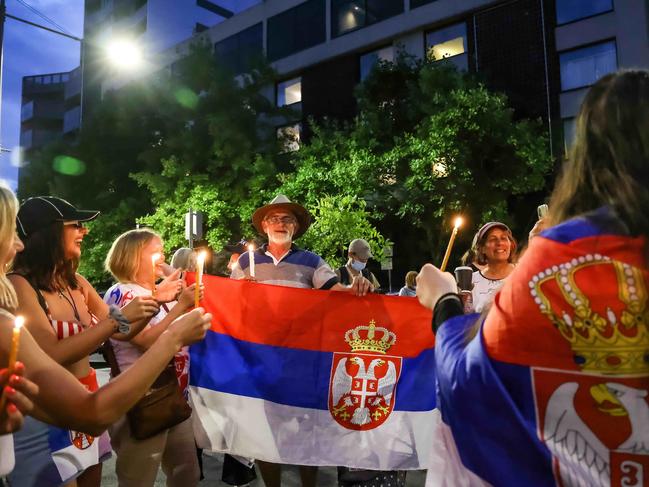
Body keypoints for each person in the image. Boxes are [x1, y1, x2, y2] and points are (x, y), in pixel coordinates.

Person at [416, 70, 649, 486]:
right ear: (483, 247)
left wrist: (443, 303)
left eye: (507, 238)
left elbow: (472, 383)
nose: (502, 244)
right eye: (495, 239)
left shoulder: (560, 262)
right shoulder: (536, 263)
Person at [0, 188, 211, 484]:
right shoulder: (21, 286)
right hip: (53, 409)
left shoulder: (78, 282)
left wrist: (155, 303)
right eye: (75, 224)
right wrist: (165, 332)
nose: (84, 230)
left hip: (88, 394)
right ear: (48, 233)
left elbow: (124, 330)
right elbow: (54, 353)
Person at [231, 194, 373, 487]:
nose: (280, 223)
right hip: (261, 360)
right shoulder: (246, 262)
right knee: (266, 434)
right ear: (264, 226)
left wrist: (358, 286)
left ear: (296, 227)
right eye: (274, 218)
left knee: (306, 429)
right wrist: (239, 292)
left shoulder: (312, 261)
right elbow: (229, 305)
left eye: (287, 219)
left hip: (301, 361)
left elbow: (336, 292)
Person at [103, 229, 202, 486]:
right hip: (141, 398)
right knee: (137, 478)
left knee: (186, 473)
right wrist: (179, 305)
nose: (163, 256)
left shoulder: (158, 291)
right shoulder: (121, 293)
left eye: (163, 250)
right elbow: (145, 341)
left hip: (170, 395)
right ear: (134, 256)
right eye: (156, 251)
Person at [469, 221, 517, 312]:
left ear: (511, 245)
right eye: (492, 239)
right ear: (482, 248)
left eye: (504, 238)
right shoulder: (471, 282)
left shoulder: (523, 273)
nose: (499, 243)